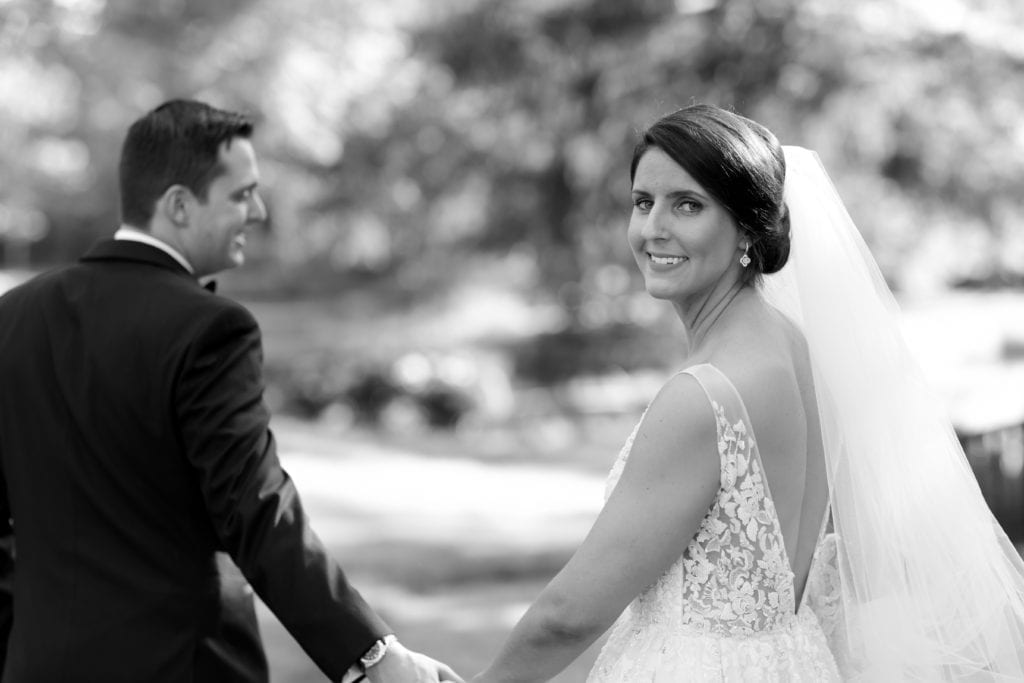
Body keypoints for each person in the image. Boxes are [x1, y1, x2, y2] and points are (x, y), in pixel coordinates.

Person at [473, 104, 1024, 681]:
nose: (653, 228)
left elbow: (569, 616)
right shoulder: (798, 349)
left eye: (688, 205)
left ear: (747, 225)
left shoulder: (702, 396)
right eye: (643, 202)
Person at [0, 99, 463, 683]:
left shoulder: (11, 319)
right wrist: (373, 657)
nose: (259, 210)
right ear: (178, 206)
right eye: (242, 194)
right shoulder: (210, 327)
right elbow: (257, 509)